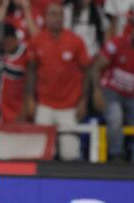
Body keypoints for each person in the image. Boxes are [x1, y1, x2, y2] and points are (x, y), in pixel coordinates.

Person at [24, 3, 91, 161]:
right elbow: (31, 71)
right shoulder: (37, 41)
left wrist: (84, 100)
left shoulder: (75, 41)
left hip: (69, 105)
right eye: (53, 14)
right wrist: (29, 99)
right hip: (45, 104)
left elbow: (87, 71)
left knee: (70, 154)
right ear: (46, 18)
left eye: (60, 14)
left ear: (64, 17)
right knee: (42, 153)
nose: (56, 18)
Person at [92, 16, 134, 163]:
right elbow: (96, 67)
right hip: (111, 90)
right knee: (115, 117)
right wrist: (96, 92)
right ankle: (117, 155)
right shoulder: (118, 43)